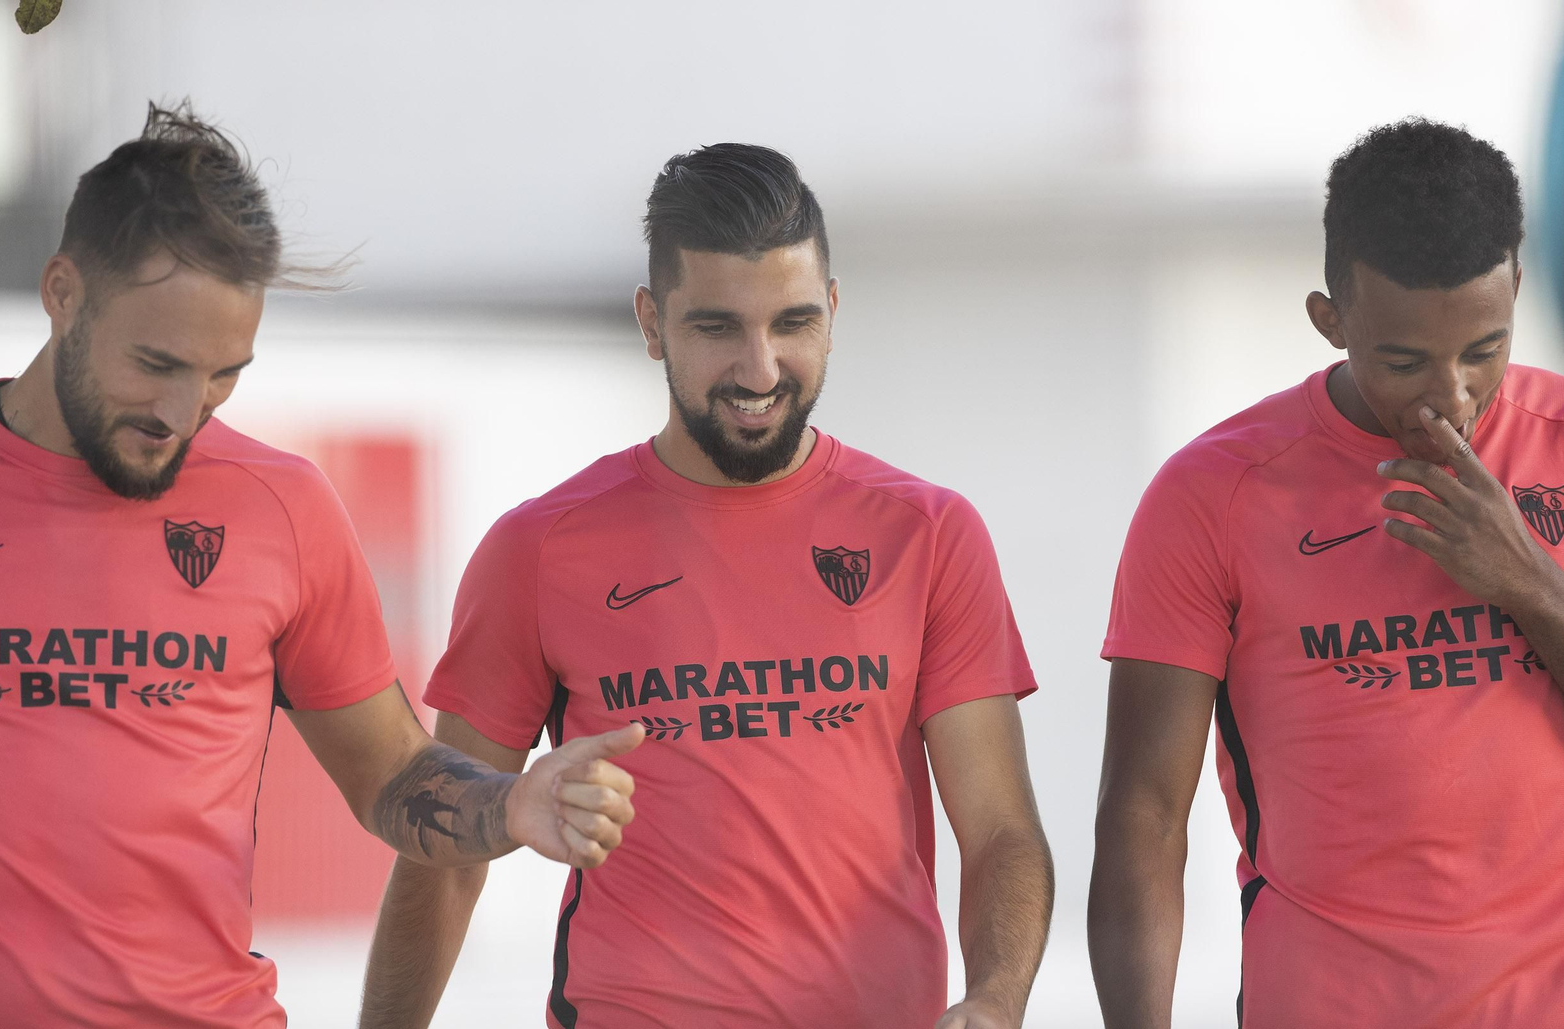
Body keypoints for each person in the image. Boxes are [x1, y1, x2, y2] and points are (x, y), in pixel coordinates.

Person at [0, 101, 642, 1029]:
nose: (181, 408)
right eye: (155, 361)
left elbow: (391, 775)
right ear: (62, 292)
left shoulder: (281, 507)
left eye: (222, 373)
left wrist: (510, 804)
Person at [360, 142, 1054, 1029]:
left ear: (834, 311)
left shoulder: (929, 534)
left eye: (794, 324)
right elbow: (447, 850)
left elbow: (999, 831)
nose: (760, 370)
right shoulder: (540, 547)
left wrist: (995, 1001)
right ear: (652, 322)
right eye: (718, 328)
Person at [1090, 118, 1564, 1027]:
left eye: (1483, 350)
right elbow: (1144, 816)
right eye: (1405, 361)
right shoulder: (1212, 494)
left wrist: (1526, 579)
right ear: (1330, 319)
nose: (1453, 398)